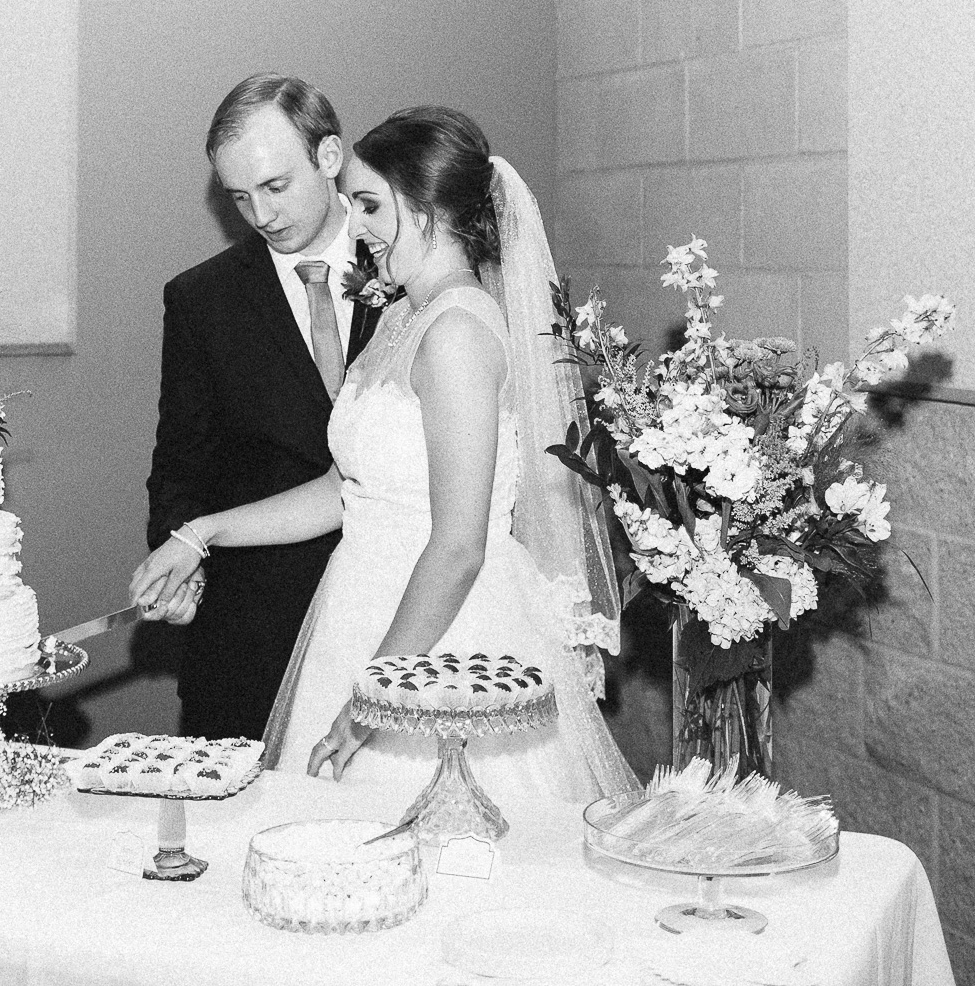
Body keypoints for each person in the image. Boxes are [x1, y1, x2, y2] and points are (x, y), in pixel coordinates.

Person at [133, 107, 636, 806]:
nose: (357, 225)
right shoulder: (404, 314)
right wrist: (203, 531)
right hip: (361, 607)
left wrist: (374, 698)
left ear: (429, 206)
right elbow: (346, 489)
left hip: (441, 638)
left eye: (369, 205)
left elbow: (459, 545)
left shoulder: (457, 331)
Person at [145, 73, 383, 741]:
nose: (262, 216)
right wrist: (179, 559)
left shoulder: (411, 272)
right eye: (240, 198)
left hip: (398, 612)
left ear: (329, 157)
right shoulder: (201, 301)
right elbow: (181, 463)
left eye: (276, 187)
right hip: (257, 631)